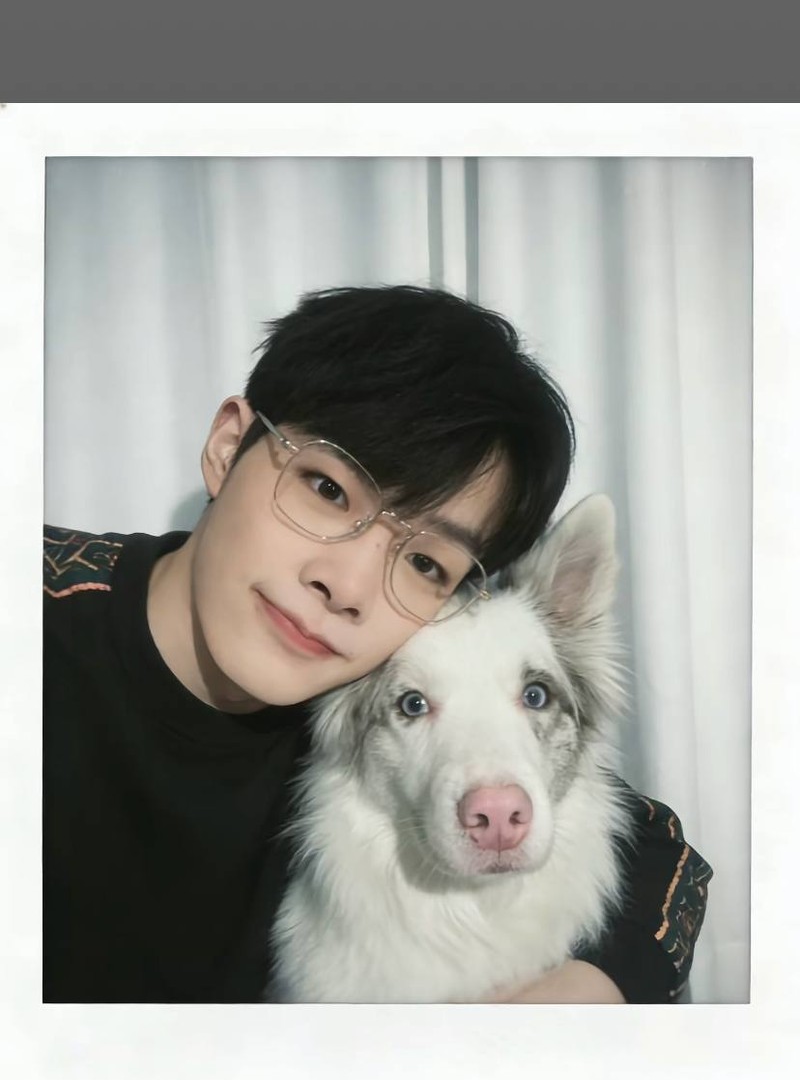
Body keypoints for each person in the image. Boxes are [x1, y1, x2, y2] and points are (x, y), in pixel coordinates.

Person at [43, 284, 712, 1003]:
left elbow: (654, 845)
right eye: (328, 490)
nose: (349, 585)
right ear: (229, 445)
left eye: (424, 560)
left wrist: (599, 982)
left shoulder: (357, 689)